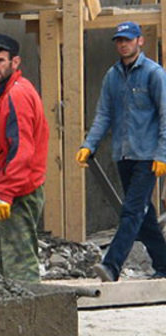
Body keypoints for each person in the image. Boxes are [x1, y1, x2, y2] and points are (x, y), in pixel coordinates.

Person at [76, 21, 166, 282]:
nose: (123, 44)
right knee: (142, 213)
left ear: (140, 41)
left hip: (147, 156)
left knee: (131, 211)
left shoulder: (154, 74)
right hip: (123, 156)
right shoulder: (112, 76)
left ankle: (111, 266)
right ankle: (164, 264)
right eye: (119, 40)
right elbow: (103, 115)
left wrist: (162, 154)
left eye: (128, 39)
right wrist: (88, 144)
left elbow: (165, 116)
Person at [0, 34, 49, 283]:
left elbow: (22, 150)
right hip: (15, 191)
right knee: (7, 263)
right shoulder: (10, 93)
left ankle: (31, 318)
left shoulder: (16, 96)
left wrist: (4, 193)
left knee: (19, 267)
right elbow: (15, 137)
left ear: (15, 62)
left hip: (17, 193)